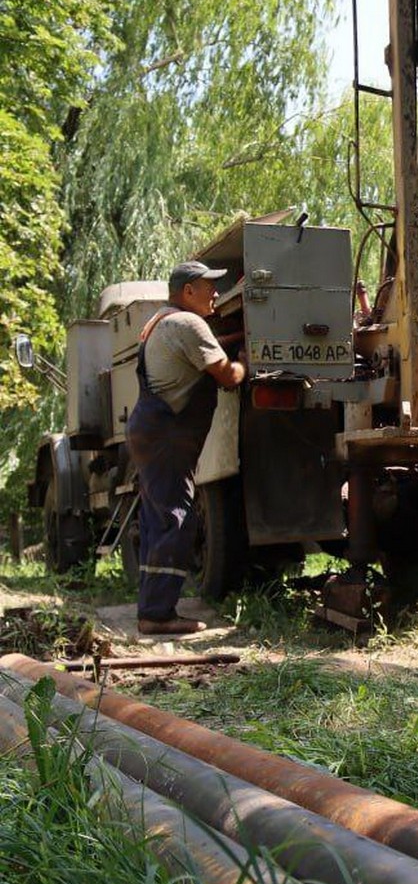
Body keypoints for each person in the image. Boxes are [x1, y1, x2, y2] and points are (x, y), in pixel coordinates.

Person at [127, 261, 246, 635]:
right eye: (208, 286)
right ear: (187, 291)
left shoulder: (164, 321)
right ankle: (158, 615)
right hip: (167, 434)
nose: (215, 293)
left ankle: (152, 606)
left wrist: (229, 341)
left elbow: (195, 355)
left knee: (156, 519)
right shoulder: (190, 325)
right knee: (177, 517)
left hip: (151, 429)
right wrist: (244, 363)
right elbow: (225, 375)